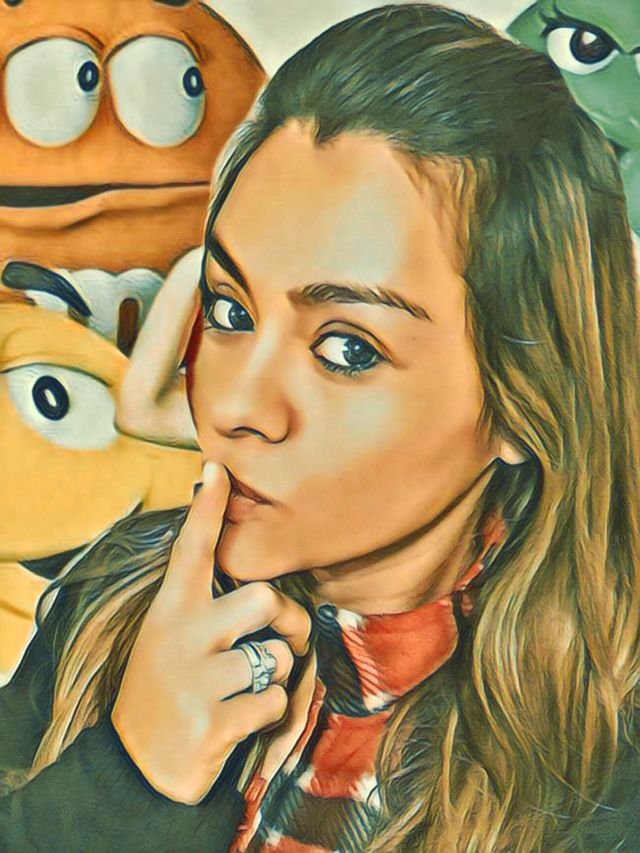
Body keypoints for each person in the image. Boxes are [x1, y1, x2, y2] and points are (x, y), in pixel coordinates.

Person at [2, 4, 640, 851]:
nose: (236, 405)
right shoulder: (116, 593)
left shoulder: (604, 766)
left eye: (346, 348)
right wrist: (128, 777)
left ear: (526, 400)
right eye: (230, 309)